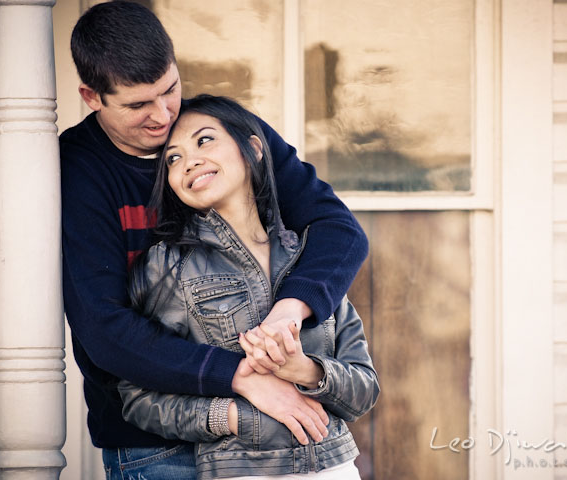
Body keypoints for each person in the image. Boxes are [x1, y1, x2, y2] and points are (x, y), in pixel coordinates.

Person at [59, 1, 368, 477]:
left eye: (170, 90)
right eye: (138, 104)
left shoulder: (221, 130)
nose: (163, 117)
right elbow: (104, 331)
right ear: (91, 96)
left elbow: (338, 229)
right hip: (156, 443)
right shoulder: (78, 171)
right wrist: (239, 379)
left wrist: (290, 313)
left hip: (290, 438)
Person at [118, 94, 379, 479]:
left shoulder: (312, 255)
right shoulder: (167, 269)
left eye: (204, 140)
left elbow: (365, 389)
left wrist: (305, 370)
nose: (188, 161)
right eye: (173, 158)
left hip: (335, 467)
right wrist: (232, 416)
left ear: (253, 149)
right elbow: (137, 397)